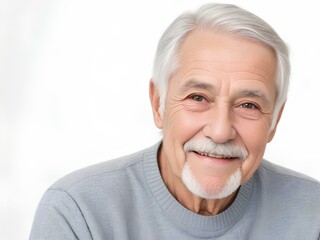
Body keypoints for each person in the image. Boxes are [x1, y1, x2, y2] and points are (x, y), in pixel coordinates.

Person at [30, 3, 320, 239]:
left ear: (275, 121)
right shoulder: (78, 212)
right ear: (158, 103)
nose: (220, 131)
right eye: (197, 98)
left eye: (248, 105)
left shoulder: (313, 213)